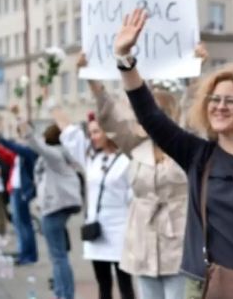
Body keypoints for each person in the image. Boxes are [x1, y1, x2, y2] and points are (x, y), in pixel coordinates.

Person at [115, 8, 233, 298]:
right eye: (214, 99)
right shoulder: (198, 156)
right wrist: (125, 60)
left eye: (231, 100)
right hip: (209, 286)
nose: (219, 106)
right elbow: (150, 116)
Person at [79, 53, 191, 299]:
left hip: (179, 239)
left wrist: (196, 68)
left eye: (160, 111)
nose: (152, 118)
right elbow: (110, 115)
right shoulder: (136, 146)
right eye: (149, 112)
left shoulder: (186, 147)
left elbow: (196, 116)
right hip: (143, 238)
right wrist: (92, 80)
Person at [22, 121, 83, 299]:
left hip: (54, 208)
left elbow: (36, 145)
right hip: (57, 207)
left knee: (58, 256)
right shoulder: (61, 156)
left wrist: (22, 123)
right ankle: (62, 292)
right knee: (59, 255)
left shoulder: (54, 156)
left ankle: (64, 294)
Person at [81, 116, 135, 299]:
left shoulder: (125, 161)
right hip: (96, 229)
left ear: (108, 132)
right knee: (103, 284)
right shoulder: (93, 160)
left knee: (125, 284)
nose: (93, 137)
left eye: (96, 132)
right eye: (90, 133)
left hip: (119, 229)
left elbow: (132, 196)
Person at [0, 121, 40, 266]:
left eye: (22, 132)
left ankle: (28, 255)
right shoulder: (22, 150)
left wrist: (1, 140)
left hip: (23, 190)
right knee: (19, 223)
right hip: (15, 188)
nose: (20, 135)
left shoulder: (31, 149)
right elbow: (9, 155)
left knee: (24, 224)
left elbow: (15, 148)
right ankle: (24, 251)